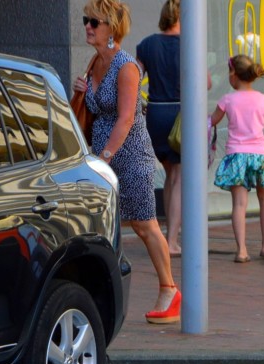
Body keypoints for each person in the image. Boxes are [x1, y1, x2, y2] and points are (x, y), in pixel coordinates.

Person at [74, 0, 179, 323]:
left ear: (112, 29)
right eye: (86, 20)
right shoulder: (95, 63)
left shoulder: (126, 66)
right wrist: (81, 90)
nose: (89, 26)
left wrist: (103, 158)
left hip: (130, 157)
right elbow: (91, 110)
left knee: (145, 224)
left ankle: (169, 289)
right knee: (101, 226)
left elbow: (125, 118)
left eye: (95, 21)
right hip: (103, 157)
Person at [211, 55, 264, 263]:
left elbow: (212, 121)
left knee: (239, 204)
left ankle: (241, 250)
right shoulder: (263, 100)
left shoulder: (227, 99)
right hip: (260, 155)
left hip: (236, 155)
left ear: (234, 74)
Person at [136, 0, 183, 257]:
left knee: (169, 175)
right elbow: (206, 82)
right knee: (179, 177)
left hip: (155, 113)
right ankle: (172, 240)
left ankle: (169, 234)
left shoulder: (147, 45)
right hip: (179, 115)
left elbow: (134, 77)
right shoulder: (188, 45)